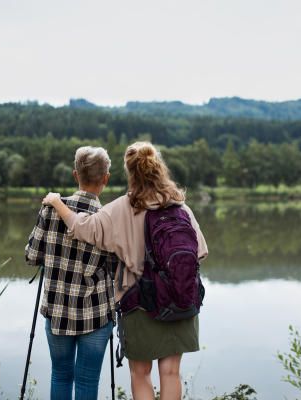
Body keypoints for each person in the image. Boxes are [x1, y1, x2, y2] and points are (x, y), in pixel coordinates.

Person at [42, 142, 208, 400]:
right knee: (171, 373)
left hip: (140, 304)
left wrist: (56, 202)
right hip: (181, 301)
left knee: (141, 373)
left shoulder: (123, 207)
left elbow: (83, 229)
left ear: (130, 172)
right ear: (159, 167)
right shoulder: (180, 205)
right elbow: (200, 253)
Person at [25, 146, 119, 400]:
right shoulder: (109, 217)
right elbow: (117, 267)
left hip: (57, 311)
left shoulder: (51, 209)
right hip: (97, 314)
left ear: (75, 175)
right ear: (106, 178)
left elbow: (32, 256)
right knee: (88, 380)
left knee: (61, 375)